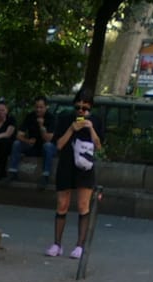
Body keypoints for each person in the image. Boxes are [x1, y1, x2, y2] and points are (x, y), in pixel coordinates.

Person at [49, 95, 101, 259]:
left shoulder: (96, 121)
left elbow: (99, 146)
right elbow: (58, 144)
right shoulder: (65, 119)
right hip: (66, 164)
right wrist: (72, 129)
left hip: (84, 167)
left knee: (83, 204)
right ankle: (57, 243)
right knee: (62, 203)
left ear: (90, 109)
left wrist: (90, 128)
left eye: (85, 108)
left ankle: (80, 246)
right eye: (77, 107)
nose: (81, 111)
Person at [7, 95, 57, 182]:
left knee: (48, 146)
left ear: (46, 107)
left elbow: (48, 139)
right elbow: (19, 135)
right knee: (16, 144)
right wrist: (27, 140)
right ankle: (13, 172)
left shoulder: (51, 118)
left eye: (41, 107)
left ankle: (45, 176)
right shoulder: (30, 116)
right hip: (33, 146)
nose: (38, 110)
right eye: (36, 107)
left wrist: (41, 126)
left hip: (46, 147)